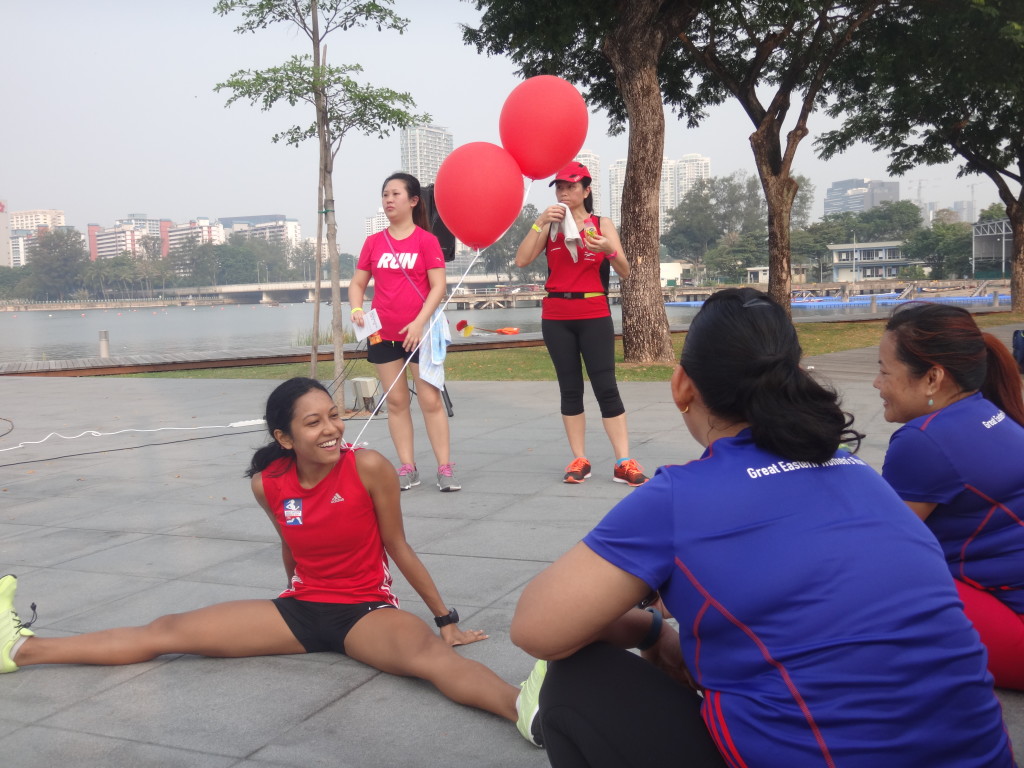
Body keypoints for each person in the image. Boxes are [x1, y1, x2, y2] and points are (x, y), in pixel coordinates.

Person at [510, 288, 1013, 767]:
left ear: (683, 385)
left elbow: (536, 630)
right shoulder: (859, 472)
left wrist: (653, 630)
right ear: (794, 376)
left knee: (573, 682)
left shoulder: (680, 497)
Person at [0, 377, 543, 746]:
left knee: (430, 660)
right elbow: (290, 542)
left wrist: (445, 620)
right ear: (284, 436)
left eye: (334, 415)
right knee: (167, 631)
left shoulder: (370, 467)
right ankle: (21, 649)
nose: (331, 428)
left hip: (364, 613)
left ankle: (528, 714)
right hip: (300, 610)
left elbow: (398, 547)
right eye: (313, 423)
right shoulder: (269, 484)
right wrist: (289, 599)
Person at [875, 301, 1024, 690]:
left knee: (876, 587)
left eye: (884, 370)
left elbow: (880, 551)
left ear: (932, 378)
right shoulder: (990, 411)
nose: (877, 384)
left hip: (1015, 631)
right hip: (1009, 608)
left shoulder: (924, 440)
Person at [515, 161, 648, 487]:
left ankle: (623, 461)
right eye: (559, 187)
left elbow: (626, 270)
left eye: (571, 187)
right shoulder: (551, 224)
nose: (564, 192)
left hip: (593, 312)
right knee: (570, 388)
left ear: (586, 190)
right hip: (557, 315)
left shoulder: (601, 223)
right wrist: (539, 223)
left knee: (606, 386)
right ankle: (580, 459)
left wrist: (609, 249)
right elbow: (522, 260)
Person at [349, 172, 459, 492]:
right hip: (383, 334)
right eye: (385, 194)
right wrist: (357, 309)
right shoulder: (374, 242)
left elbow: (439, 286)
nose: (389, 200)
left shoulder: (427, 241)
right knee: (396, 402)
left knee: (429, 400)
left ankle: (444, 467)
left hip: (420, 333)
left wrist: (419, 322)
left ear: (413, 201)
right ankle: (407, 467)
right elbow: (358, 283)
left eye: (395, 194)